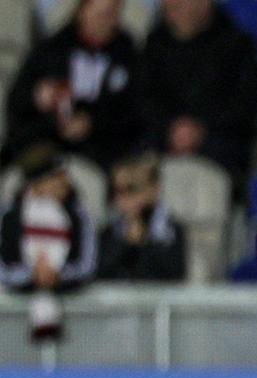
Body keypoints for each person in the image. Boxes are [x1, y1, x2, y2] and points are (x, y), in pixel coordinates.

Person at [135, 0, 257, 182]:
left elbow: (245, 104)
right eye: (169, 6)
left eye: (180, 5)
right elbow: (145, 99)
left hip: (220, 140)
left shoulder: (238, 45)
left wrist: (199, 130)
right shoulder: (155, 43)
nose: (173, 9)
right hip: (164, 136)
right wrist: (171, 128)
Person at [3, 0, 141, 169]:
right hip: (46, 145)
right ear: (82, 12)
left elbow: (134, 111)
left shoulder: (127, 54)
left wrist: (92, 123)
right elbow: (17, 100)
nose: (103, 22)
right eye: (98, 14)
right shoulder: (52, 49)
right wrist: (37, 97)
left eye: (111, 15)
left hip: (101, 153)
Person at [0, 145, 98, 339]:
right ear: (38, 182)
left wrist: (57, 275)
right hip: (13, 323)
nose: (65, 182)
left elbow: (87, 265)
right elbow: (2, 267)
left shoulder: (78, 216)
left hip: (73, 323)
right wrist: (30, 274)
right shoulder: (9, 216)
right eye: (56, 177)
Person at [97, 152, 187, 282]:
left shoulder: (172, 232)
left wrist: (143, 244)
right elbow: (100, 272)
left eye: (131, 190)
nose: (120, 199)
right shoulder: (109, 231)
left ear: (154, 189)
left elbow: (174, 276)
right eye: (118, 191)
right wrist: (125, 244)